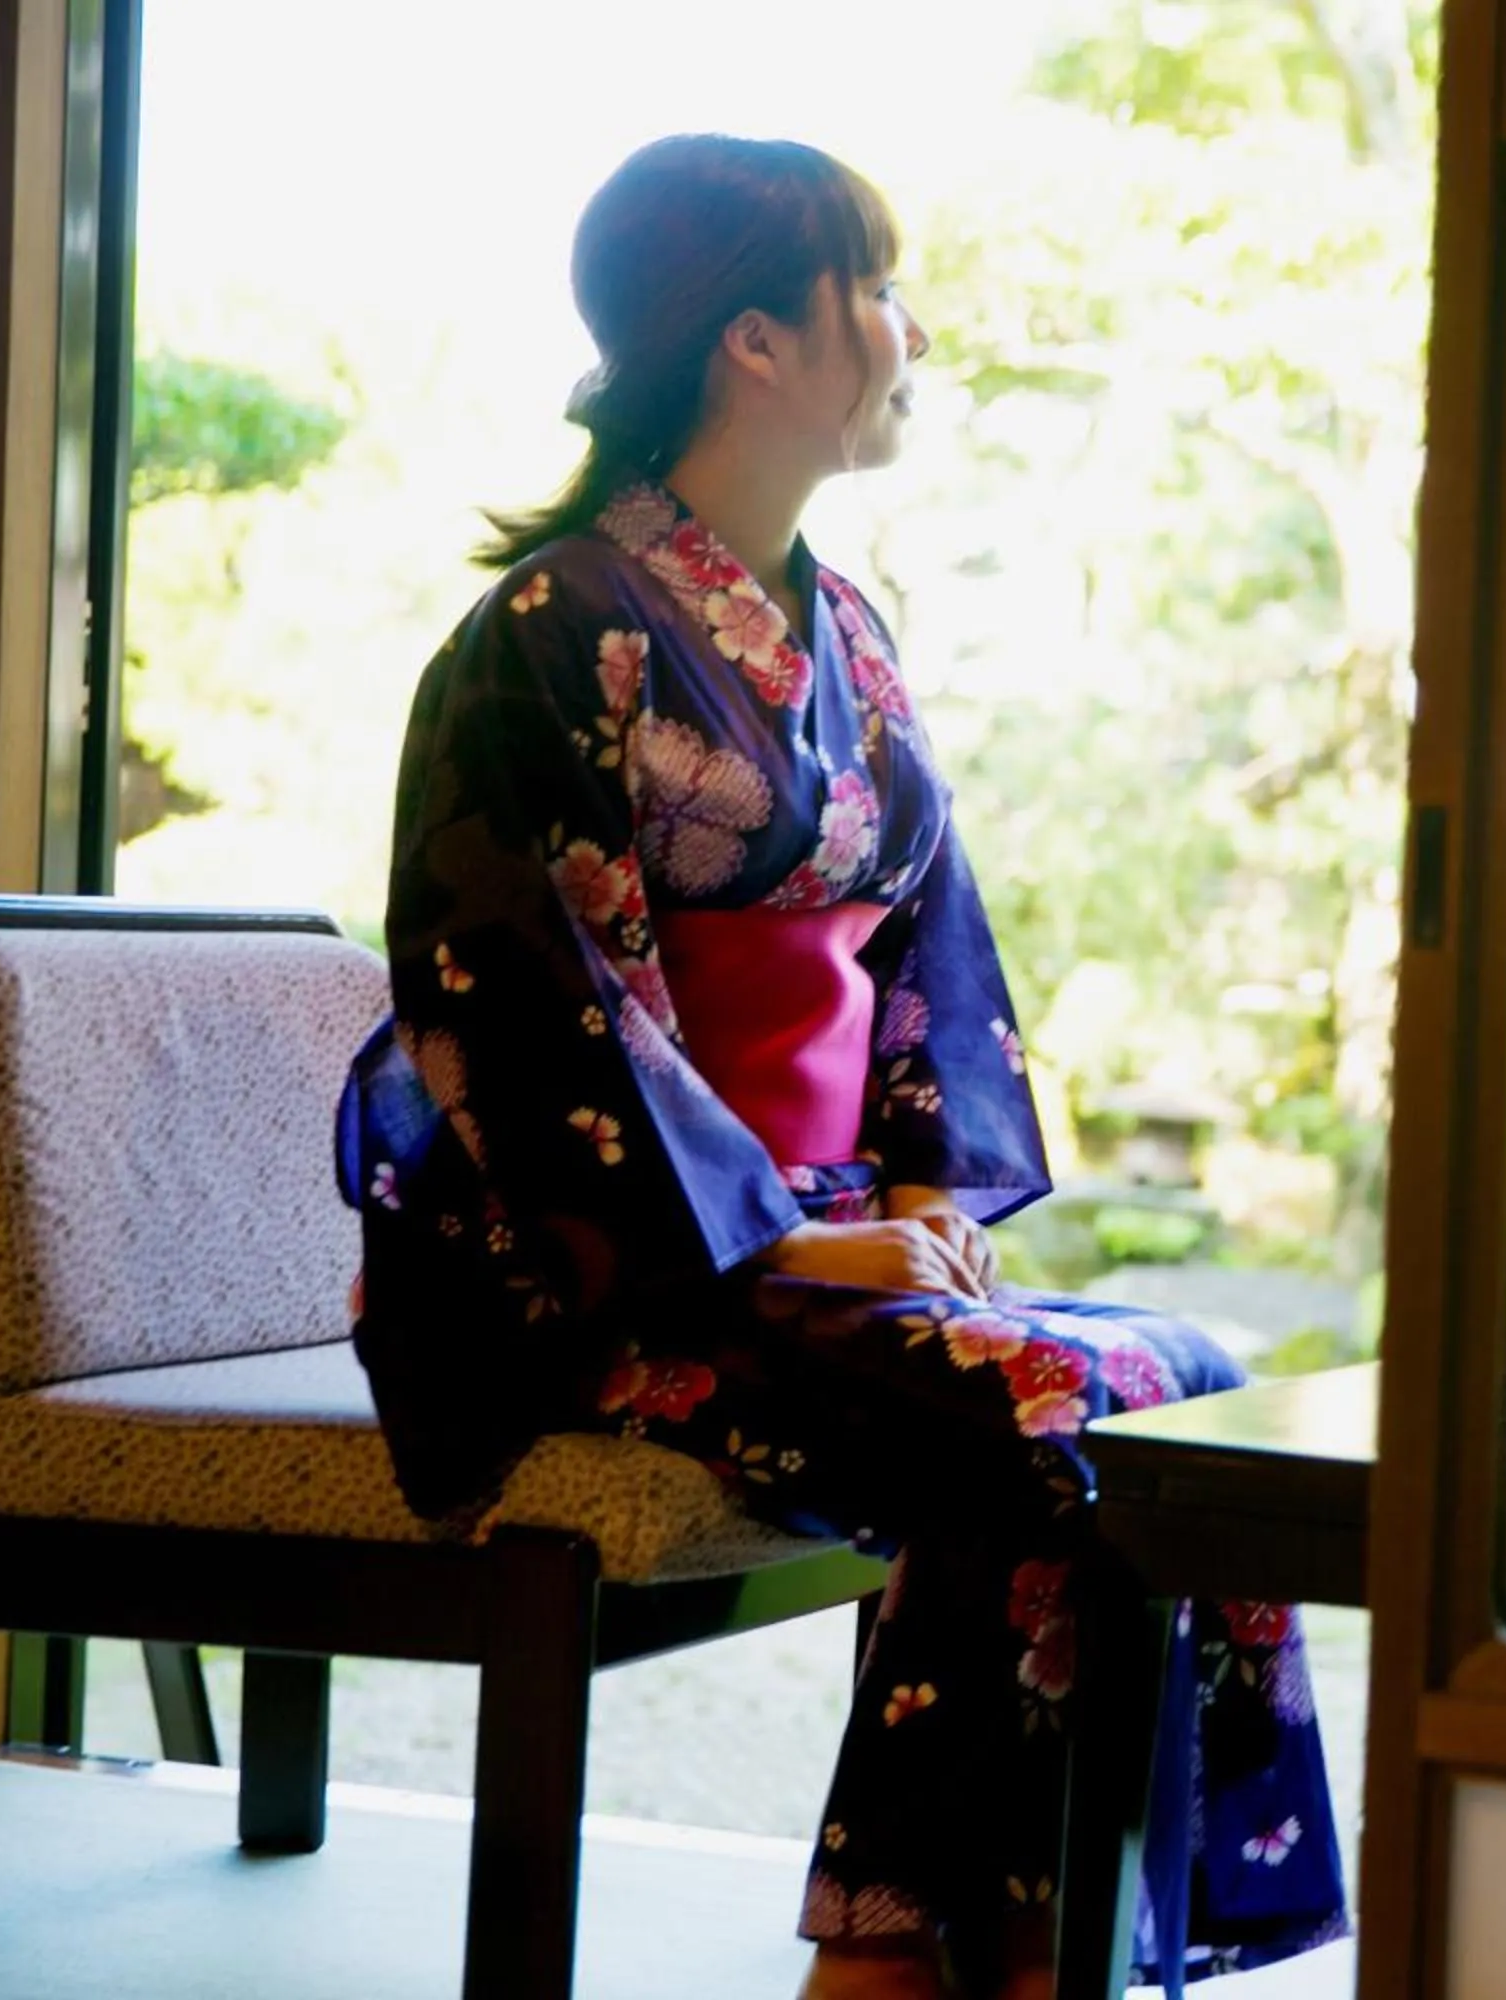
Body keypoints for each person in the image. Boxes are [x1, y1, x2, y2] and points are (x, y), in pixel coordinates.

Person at [334, 133, 1347, 2000]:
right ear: (754, 345)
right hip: (592, 1269)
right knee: (1039, 1409)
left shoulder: (847, 634)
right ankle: (901, 1967)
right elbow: (528, 1000)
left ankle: (1037, 1934)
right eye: (871, 287)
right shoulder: (548, 638)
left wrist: (911, 1199)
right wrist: (788, 1243)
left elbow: (924, 956)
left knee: (1190, 1386)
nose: (906, 327)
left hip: (821, 1241)